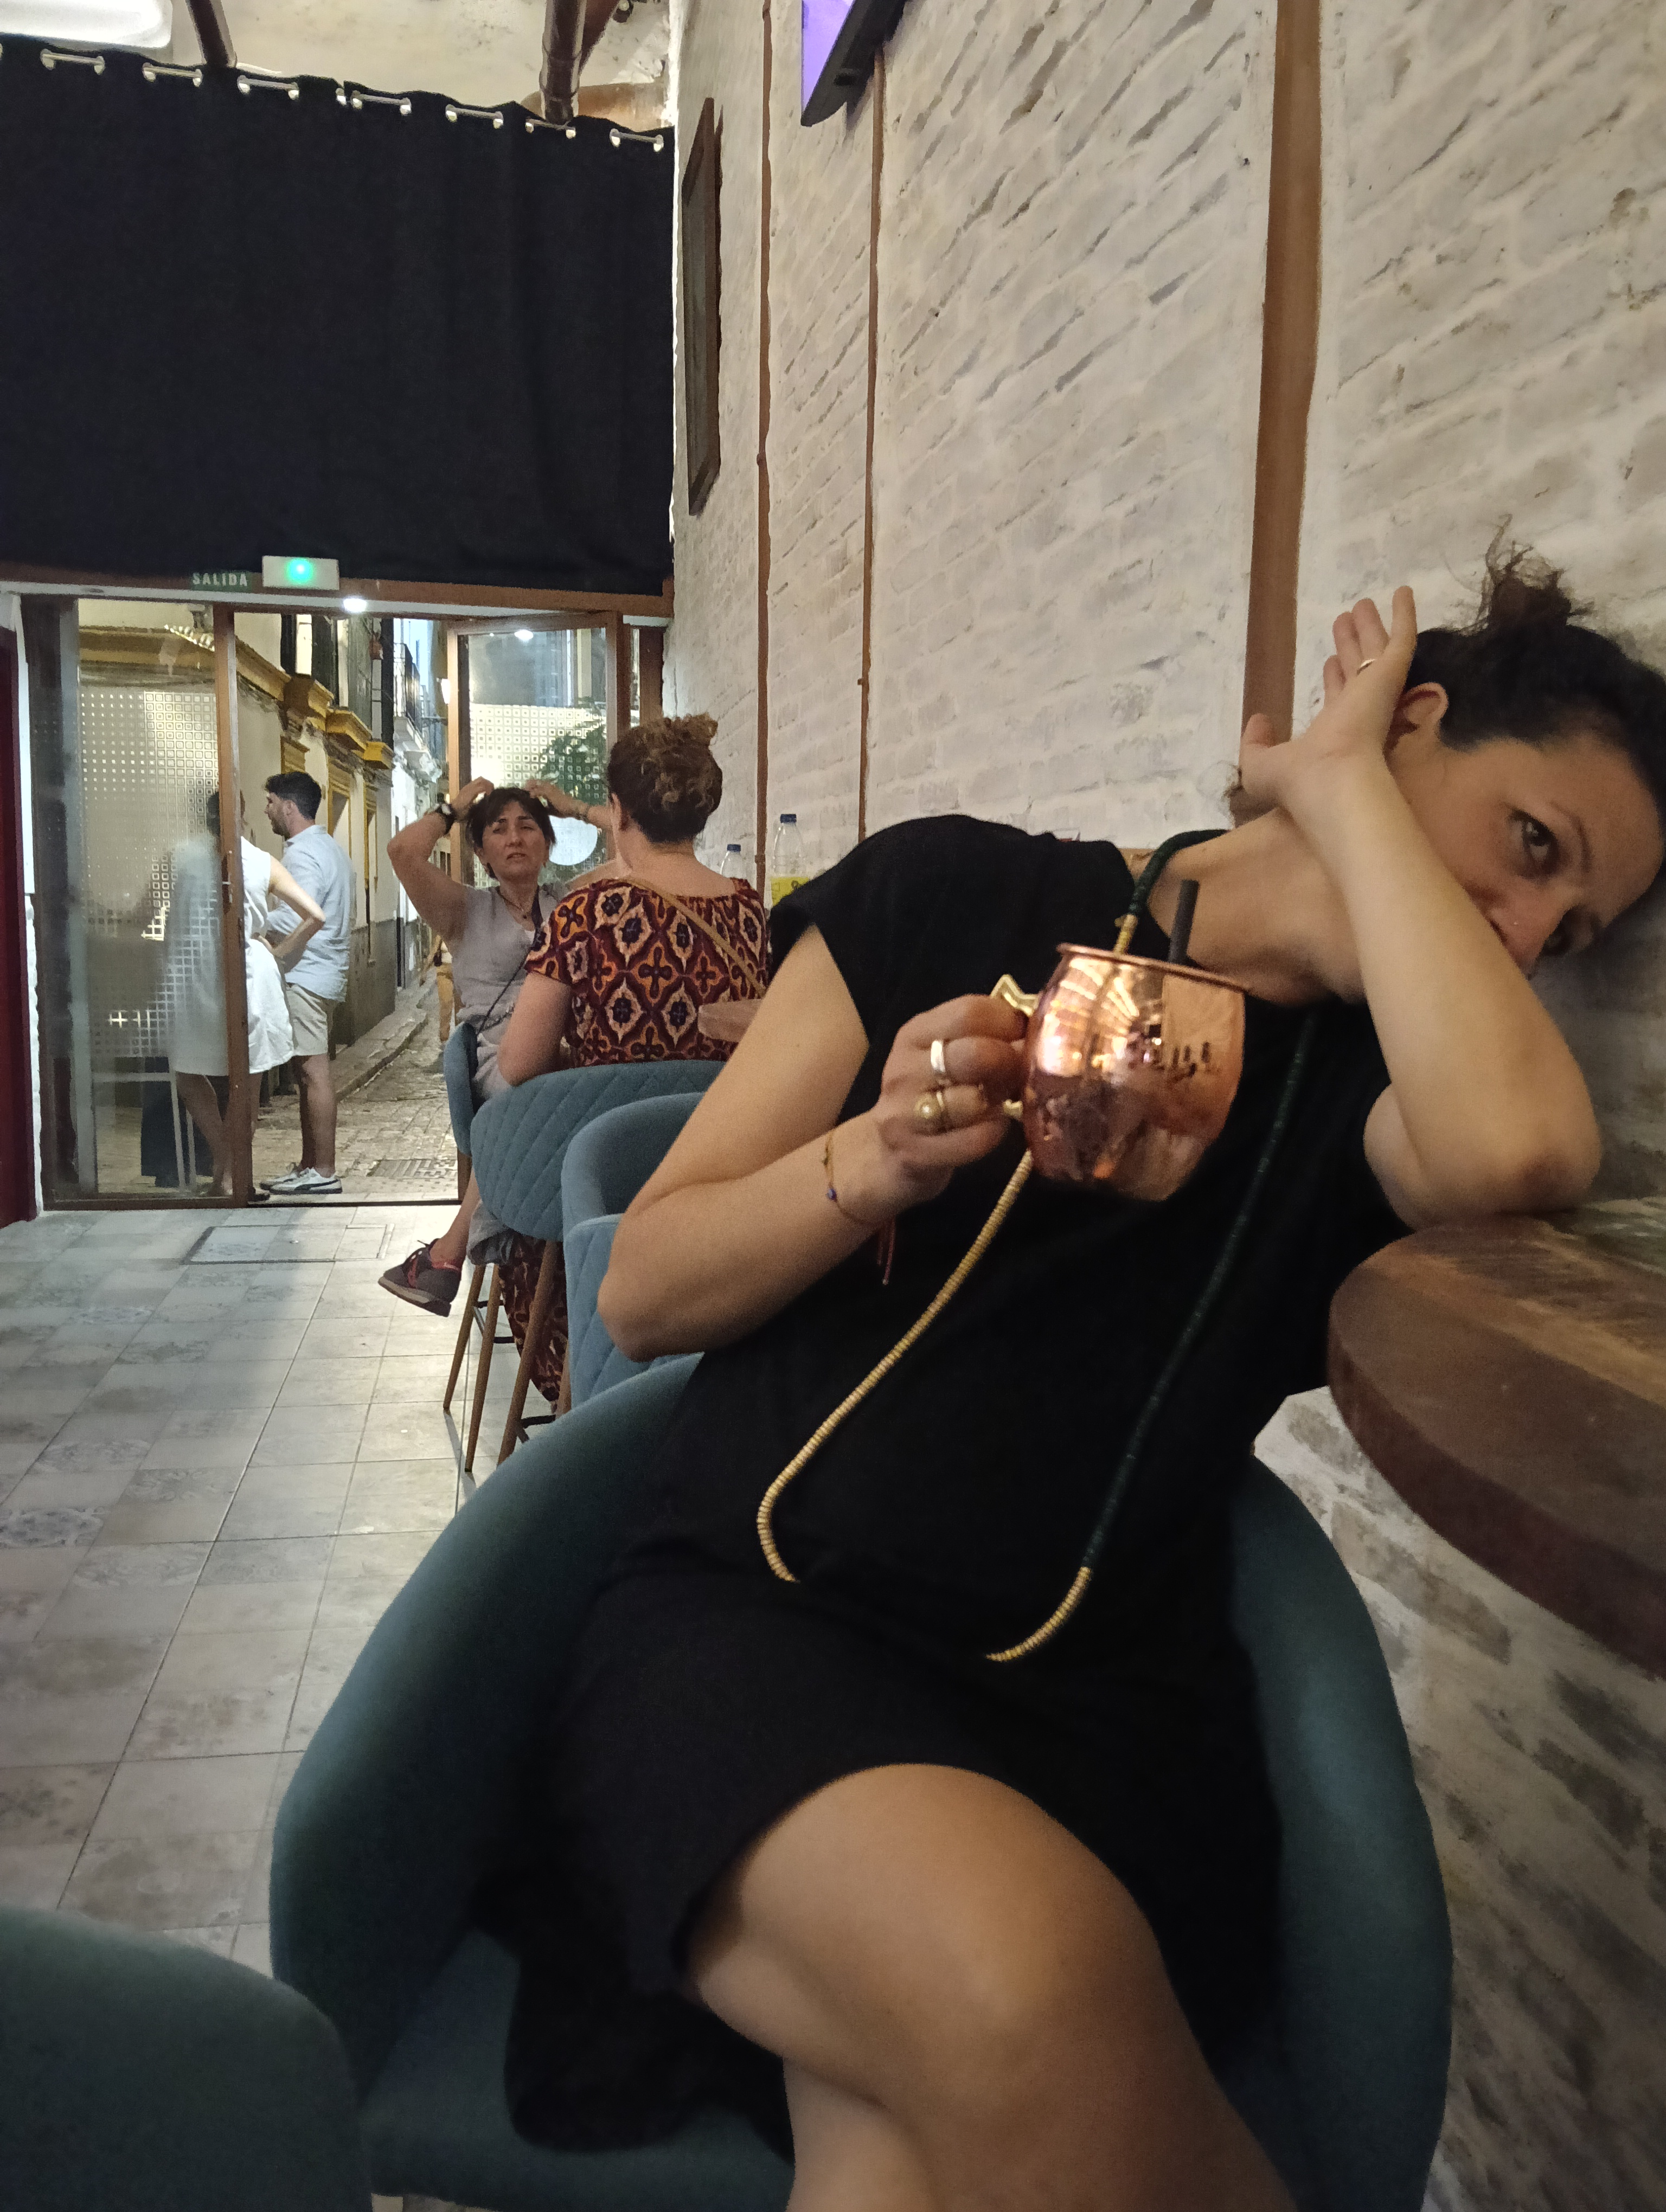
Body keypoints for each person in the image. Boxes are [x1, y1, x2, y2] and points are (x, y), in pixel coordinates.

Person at [483, 551, 1666, 2208]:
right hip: (761, 1624)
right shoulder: (951, 894)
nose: (1530, 935)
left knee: (901, 2151)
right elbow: (647, 1285)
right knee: (1028, 1999)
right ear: (1417, 719)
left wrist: (1342, 789)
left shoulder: (1371, 1099)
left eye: (1576, 927)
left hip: (1096, 1706)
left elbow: (1523, 1145)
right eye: (1531, 846)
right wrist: (874, 1160)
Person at [479, 713, 768, 1396]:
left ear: (619, 811)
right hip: (718, 1174)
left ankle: (593, 1395)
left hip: (603, 1190)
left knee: (529, 1234)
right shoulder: (751, 911)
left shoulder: (585, 914)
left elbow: (518, 1064)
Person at [377, 781, 558, 1312]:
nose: (515, 838)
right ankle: (461, 1247)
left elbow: (639, 858)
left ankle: (446, 1257)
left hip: (567, 1050)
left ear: (548, 842)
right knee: (530, 1086)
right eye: (499, 830)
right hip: (503, 1057)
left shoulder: (572, 900)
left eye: (528, 826)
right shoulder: (464, 909)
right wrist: (454, 808)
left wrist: (572, 807)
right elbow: (402, 852)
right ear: (480, 852)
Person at [164, 793, 326, 1198]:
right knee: (246, 1086)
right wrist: (279, 952)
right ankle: (231, 1171)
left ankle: (226, 1170)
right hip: (249, 974)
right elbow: (315, 915)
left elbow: (152, 912)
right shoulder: (260, 861)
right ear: (241, 814)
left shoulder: (180, 857)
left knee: (188, 1073)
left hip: (195, 973)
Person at [261, 771, 354, 1197]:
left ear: (289, 808)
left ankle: (324, 1170)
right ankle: (309, 1165)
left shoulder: (301, 855)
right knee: (307, 1071)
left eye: (270, 802)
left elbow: (301, 914)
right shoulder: (330, 848)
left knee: (314, 1073)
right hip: (324, 972)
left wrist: (255, 925)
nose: (266, 810)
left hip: (306, 974)